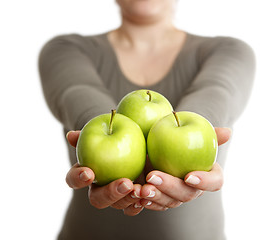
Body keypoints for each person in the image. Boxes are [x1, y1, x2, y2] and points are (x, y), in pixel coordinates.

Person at [38, 0, 255, 239]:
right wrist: (102, 136)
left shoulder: (228, 49)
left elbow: (217, 92)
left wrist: (198, 130)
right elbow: (78, 95)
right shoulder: (66, 48)